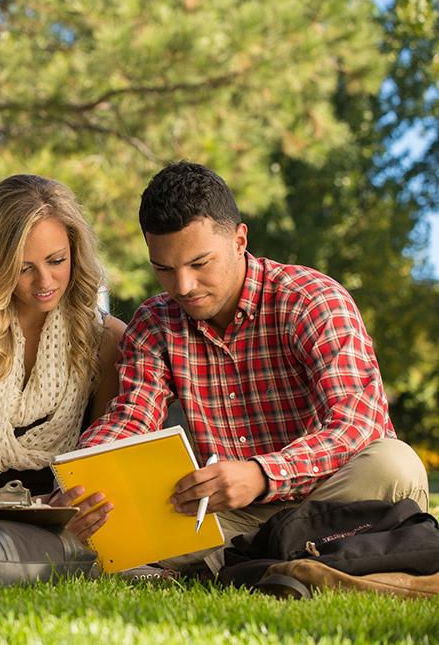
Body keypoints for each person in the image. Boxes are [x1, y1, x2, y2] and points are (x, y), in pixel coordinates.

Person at [79, 161, 429, 572]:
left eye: (199, 263)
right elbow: (130, 419)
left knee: (396, 465)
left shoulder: (311, 299)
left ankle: (244, 558)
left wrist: (263, 475)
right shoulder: (155, 323)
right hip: (227, 517)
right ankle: (285, 556)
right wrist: (83, 476)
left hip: (330, 497)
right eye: (164, 269)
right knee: (108, 532)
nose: (183, 287)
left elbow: (358, 424)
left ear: (240, 239)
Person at [0, 174, 126, 538]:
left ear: (75, 253)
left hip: (61, 529)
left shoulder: (107, 339)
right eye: (24, 267)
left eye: (56, 260)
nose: (45, 282)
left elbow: (100, 465)